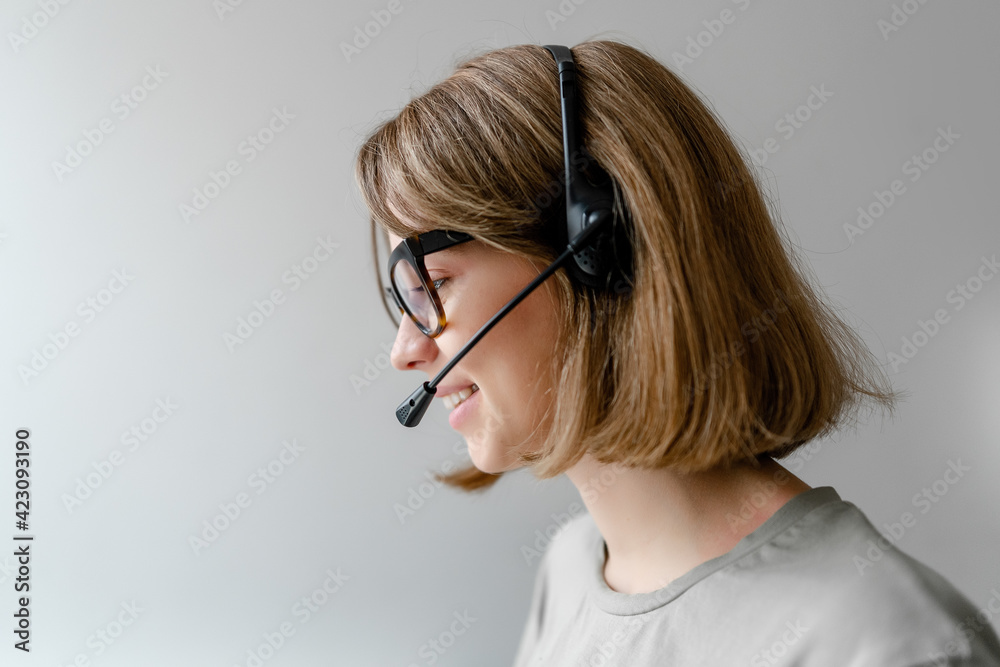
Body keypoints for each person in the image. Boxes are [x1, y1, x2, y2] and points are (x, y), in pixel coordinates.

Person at [354, 39, 1000, 666]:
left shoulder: (883, 642)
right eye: (400, 297)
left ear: (598, 252)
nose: (404, 351)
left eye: (432, 284)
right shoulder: (572, 571)